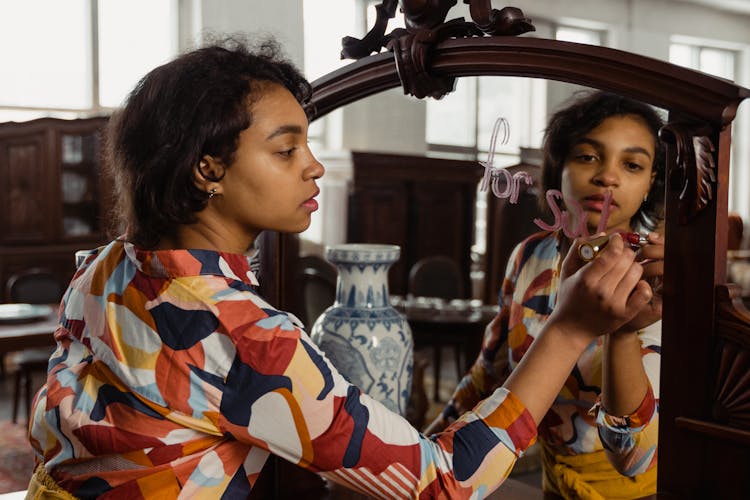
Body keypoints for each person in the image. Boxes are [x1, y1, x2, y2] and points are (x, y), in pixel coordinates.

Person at [26, 39, 655, 499]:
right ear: (208, 168)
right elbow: (442, 482)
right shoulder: (245, 334)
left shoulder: (108, 264)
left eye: (635, 164)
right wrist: (570, 329)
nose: (315, 166)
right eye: (286, 148)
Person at [425, 91, 665, 499]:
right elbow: (489, 373)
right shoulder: (529, 256)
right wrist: (421, 451)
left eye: (632, 164)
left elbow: (635, 457)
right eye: (588, 156)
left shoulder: (656, 277)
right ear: (558, 169)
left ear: (649, 184)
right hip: (548, 485)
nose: (608, 176)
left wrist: (621, 332)